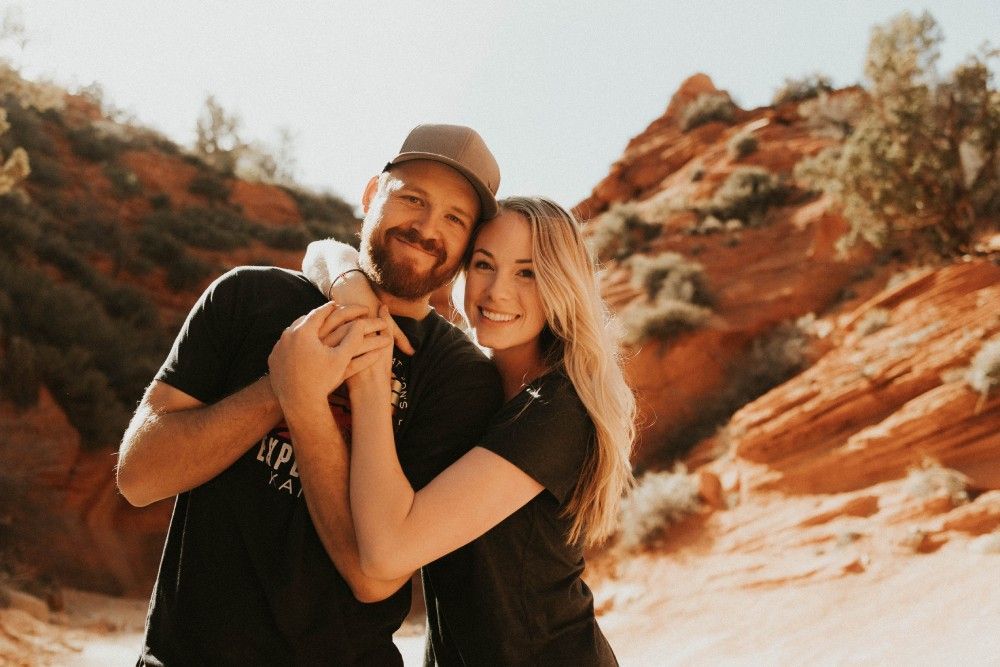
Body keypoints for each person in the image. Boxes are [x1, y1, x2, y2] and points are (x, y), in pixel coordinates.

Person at [116, 124, 505, 665]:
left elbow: (375, 574)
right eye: (412, 198)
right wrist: (277, 387)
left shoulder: (460, 379)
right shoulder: (247, 296)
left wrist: (303, 402)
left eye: (454, 218)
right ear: (371, 195)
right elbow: (138, 477)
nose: (425, 227)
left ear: (468, 246)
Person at [282, 196, 636, 665]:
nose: (496, 292)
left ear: (561, 285)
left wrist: (371, 373)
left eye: (527, 272)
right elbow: (320, 253)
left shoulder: (556, 408)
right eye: (484, 264)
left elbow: (387, 553)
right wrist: (350, 282)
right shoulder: (463, 382)